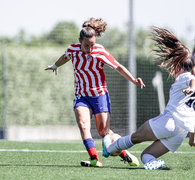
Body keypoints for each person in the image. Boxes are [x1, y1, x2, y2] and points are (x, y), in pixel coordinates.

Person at [45, 17, 145, 167]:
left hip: (99, 95)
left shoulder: (100, 51)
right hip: (81, 96)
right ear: (80, 40)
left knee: (103, 132)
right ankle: (94, 159)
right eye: (86, 45)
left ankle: (125, 154)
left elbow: (118, 66)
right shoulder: (73, 49)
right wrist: (54, 66)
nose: (90, 49)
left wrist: (133, 80)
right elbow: (65, 57)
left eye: (92, 45)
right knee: (83, 125)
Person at [102, 27, 195, 170]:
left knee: (135, 137)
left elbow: (194, 82)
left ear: (180, 66)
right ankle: (153, 163)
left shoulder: (186, 77)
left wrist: (192, 88)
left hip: (169, 122)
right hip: (180, 135)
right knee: (146, 155)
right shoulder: (191, 95)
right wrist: (192, 140)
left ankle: (109, 148)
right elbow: (194, 118)